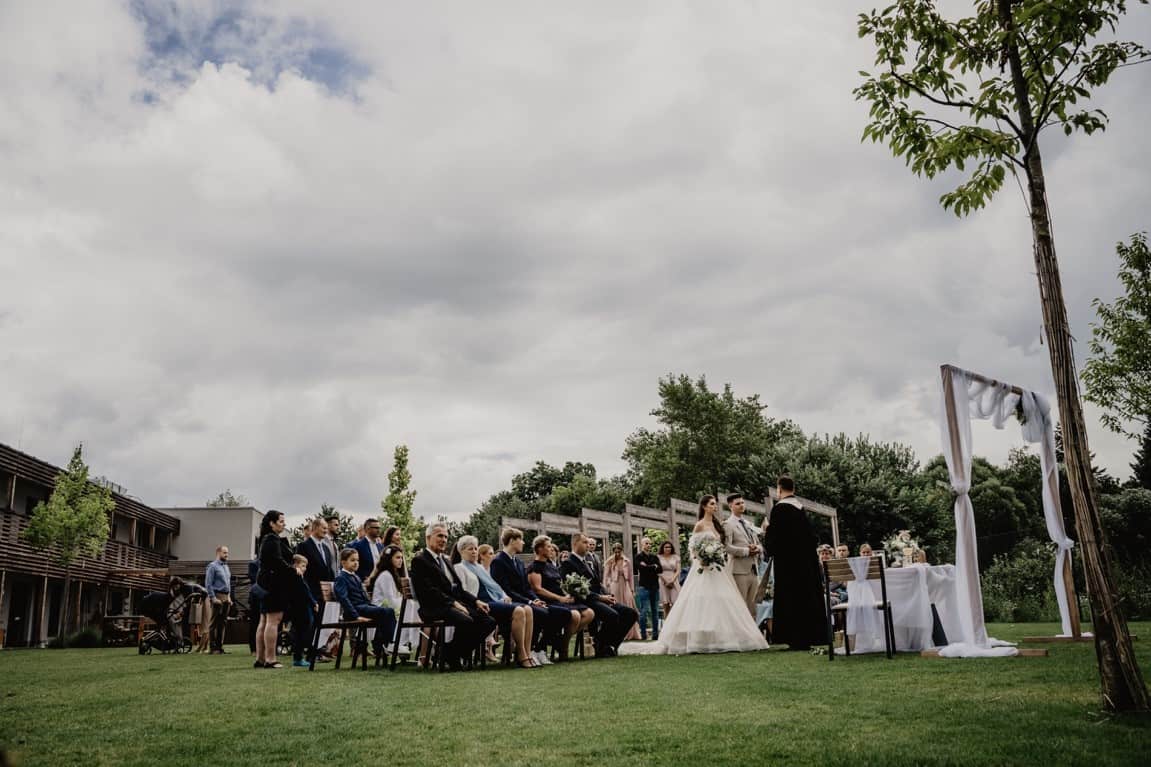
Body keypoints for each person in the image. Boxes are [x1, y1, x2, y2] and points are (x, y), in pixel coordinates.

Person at [619, 496, 768, 656]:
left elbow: (723, 546)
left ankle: (724, 636)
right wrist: (703, 558)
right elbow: (693, 549)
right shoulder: (699, 525)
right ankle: (700, 638)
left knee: (723, 600)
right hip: (703, 567)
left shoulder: (717, 525)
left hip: (718, 567)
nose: (715, 507)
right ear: (704, 507)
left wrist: (717, 555)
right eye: (712, 504)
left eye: (715, 504)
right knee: (702, 599)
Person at [409, 522, 496, 671]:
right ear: (428, 538)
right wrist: (454, 604)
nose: (444, 540)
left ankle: (449, 652)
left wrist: (476, 601)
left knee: (488, 621)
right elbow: (429, 591)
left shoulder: (446, 560)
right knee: (466, 620)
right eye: (440, 536)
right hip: (433, 606)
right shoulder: (420, 560)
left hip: (450, 604)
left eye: (446, 537)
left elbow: (459, 589)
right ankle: (452, 655)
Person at [762, 476, 827, 651]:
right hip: (806, 563)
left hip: (789, 565)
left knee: (792, 598)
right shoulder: (800, 509)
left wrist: (767, 530)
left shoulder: (779, 509)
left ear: (779, 489)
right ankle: (812, 635)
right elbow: (812, 538)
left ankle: (796, 638)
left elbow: (775, 541)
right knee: (807, 597)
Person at [453, 536, 537, 668]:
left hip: (494, 600)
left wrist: (504, 596)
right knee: (519, 611)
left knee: (528, 609)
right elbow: (462, 591)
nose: (474, 551)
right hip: (480, 603)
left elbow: (494, 585)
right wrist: (477, 601)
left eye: (476, 548)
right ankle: (521, 654)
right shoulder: (459, 567)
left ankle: (527, 653)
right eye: (470, 549)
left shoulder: (480, 567)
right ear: (462, 551)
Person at [489, 527, 568, 667]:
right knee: (543, 613)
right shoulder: (498, 561)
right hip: (510, 603)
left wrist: (536, 599)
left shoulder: (519, 562)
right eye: (521, 540)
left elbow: (526, 587)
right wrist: (530, 601)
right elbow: (505, 589)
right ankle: (530, 650)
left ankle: (537, 649)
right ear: (512, 541)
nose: (523, 543)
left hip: (525, 601)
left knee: (549, 611)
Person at [562, 533, 639, 657]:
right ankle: (600, 644)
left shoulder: (586, 561)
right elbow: (575, 590)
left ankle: (609, 644)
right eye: (585, 542)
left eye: (588, 543)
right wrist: (600, 598)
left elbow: (596, 584)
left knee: (631, 613)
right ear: (575, 543)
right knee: (612, 615)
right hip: (585, 601)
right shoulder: (568, 563)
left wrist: (607, 595)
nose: (588, 545)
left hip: (599, 598)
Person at [527, 535, 594, 661]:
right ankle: (562, 647)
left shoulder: (551, 566)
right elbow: (538, 589)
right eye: (548, 546)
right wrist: (560, 598)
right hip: (548, 601)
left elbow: (560, 584)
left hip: (561, 599)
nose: (551, 549)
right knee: (575, 615)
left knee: (589, 613)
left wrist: (567, 595)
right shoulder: (534, 567)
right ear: (540, 549)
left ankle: (561, 641)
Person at [333, 548, 398, 659]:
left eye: (357, 560)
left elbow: (364, 597)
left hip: (363, 607)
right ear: (343, 562)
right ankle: (390, 643)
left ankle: (380, 646)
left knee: (385, 612)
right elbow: (344, 599)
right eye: (352, 560)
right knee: (387, 612)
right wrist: (356, 616)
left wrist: (371, 606)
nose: (356, 563)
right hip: (355, 611)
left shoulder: (355, 577)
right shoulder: (341, 578)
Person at [255, 509, 294, 668]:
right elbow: (278, 561)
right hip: (274, 585)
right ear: (272, 523)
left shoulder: (265, 539)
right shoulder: (272, 539)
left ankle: (260, 658)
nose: (284, 524)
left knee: (264, 621)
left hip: (266, 584)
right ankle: (270, 659)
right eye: (281, 521)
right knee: (273, 620)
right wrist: (293, 570)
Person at [369, 545, 422, 655]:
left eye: (401, 558)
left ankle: (407, 641)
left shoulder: (395, 575)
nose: (401, 560)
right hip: (382, 608)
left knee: (412, 605)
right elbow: (391, 600)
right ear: (389, 559)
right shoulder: (386, 575)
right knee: (410, 605)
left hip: (391, 607)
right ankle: (398, 642)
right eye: (397, 557)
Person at [722, 493, 762, 617]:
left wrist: (758, 548)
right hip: (738, 571)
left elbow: (759, 544)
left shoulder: (749, 523)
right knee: (740, 607)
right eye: (737, 503)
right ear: (730, 506)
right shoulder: (727, 524)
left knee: (754, 607)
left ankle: (753, 634)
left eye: (742, 503)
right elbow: (726, 547)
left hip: (754, 569)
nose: (741, 505)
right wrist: (746, 551)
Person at [603, 543, 641, 641]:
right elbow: (606, 575)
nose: (617, 554)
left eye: (619, 552)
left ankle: (631, 633)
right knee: (617, 606)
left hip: (625, 584)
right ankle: (618, 633)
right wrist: (607, 586)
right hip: (615, 584)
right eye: (615, 552)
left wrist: (632, 589)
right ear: (613, 552)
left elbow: (631, 576)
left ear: (621, 551)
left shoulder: (627, 561)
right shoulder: (610, 561)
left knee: (628, 604)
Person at [288, 554, 318, 667]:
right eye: (302, 565)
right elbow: (305, 592)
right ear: (295, 565)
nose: (304, 568)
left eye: (305, 566)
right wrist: (313, 602)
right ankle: (298, 658)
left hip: (301, 608)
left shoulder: (300, 577)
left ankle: (299, 657)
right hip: (301, 609)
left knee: (301, 633)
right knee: (300, 633)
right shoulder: (297, 577)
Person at [296, 518, 334, 599]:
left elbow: (329, 570)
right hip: (311, 593)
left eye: (327, 529)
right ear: (315, 528)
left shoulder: (326, 548)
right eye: (324, 528)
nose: (326, 531)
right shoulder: (303, 546)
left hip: (326, 594)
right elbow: (300, 570)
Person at [204, 545, 232, 654]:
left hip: (226, 597)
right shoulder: (212, 566)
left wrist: (229, 597)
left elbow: (228, 584)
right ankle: (213, 648)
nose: (227, 555)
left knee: (223, 623)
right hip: (217, 595)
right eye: (225, 552)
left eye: (227, 552)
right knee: (214, 623)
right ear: (218, 553)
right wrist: (213, 598)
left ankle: (220, 647)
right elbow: (208, 584)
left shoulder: (226, 567)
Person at [633, 538, 661, 640]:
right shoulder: (638, 557)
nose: (648, 545)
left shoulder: (654, 556)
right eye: (646, 543)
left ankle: (655, 635)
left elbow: (660, 569)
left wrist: (649, 566)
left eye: (650, 543)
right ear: (642, 545)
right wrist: (653, 566)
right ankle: (643, 635)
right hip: (644, 587)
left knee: (655, 611)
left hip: (655, 586)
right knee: (644, 611)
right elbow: (640, 568)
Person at [657, 541, 681, 613]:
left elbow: (678, 570)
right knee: (666, 604)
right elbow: (657, 571)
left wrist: (672, 581)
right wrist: (666, 581)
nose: (668, 548)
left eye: (669, 547)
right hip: (662, 581)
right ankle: (666, 623)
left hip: (674, 580)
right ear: (662, 548)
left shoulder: (676, 557)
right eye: (666, 547)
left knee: (676, 602)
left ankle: (675, 622)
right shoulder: (658, 557)